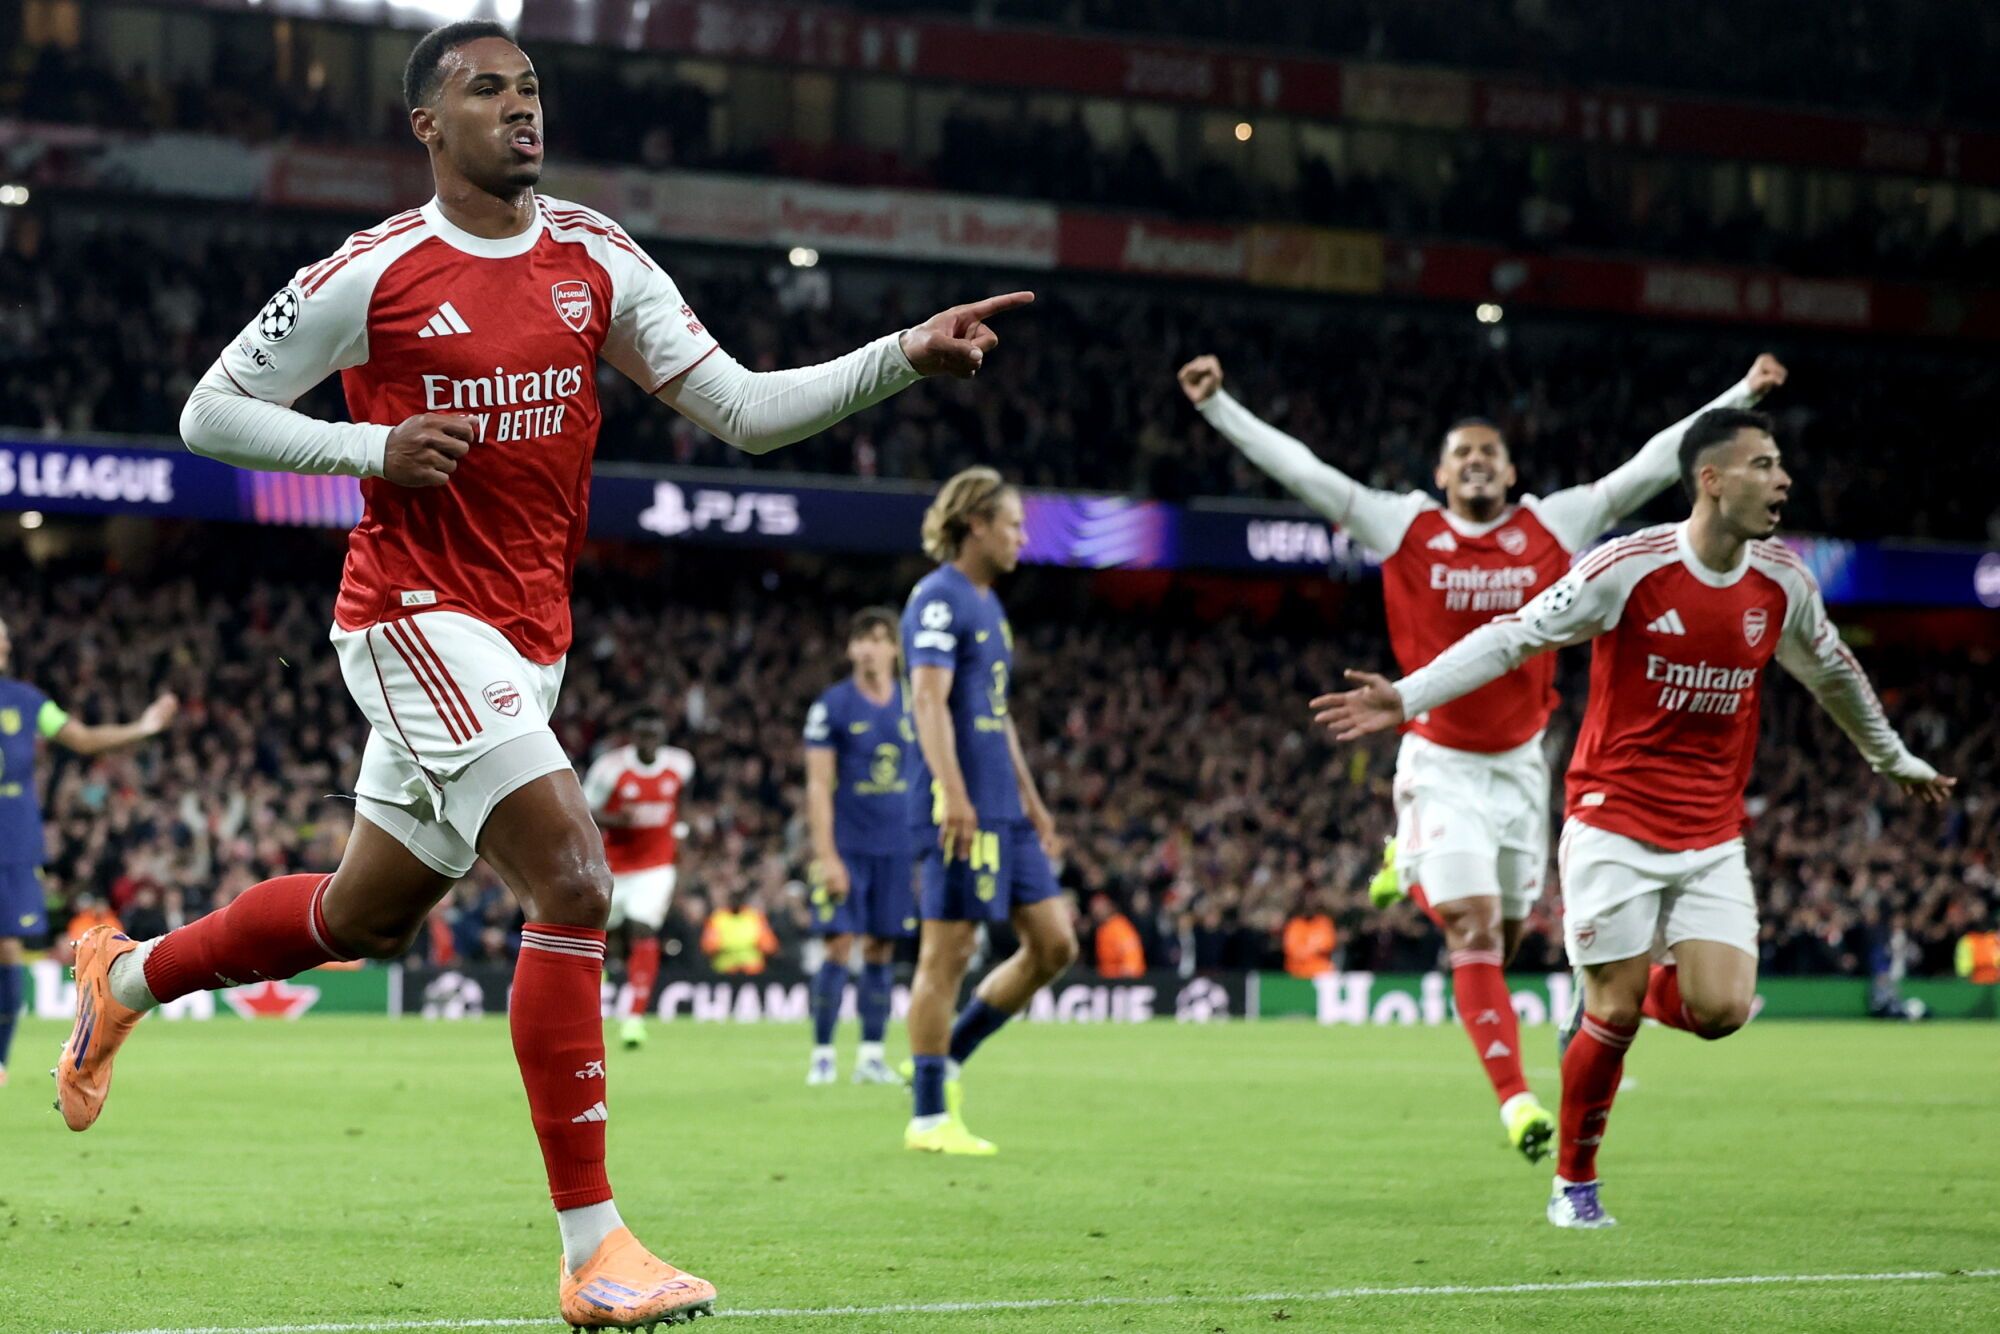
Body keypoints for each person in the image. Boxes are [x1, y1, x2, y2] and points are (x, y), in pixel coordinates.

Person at [53, 19, 1031, 1330]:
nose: (521, 107)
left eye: (530, 88)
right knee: (577, 875)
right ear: (427, 126)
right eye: (486, 89)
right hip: (408, 615)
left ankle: (121, 979)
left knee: (364, 917)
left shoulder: (597, 256)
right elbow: (209, 414)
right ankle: (594, 1247)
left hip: (525, 638)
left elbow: (739, 407)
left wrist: (902, 354)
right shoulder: (377, 271)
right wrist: (371, 446)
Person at [1311, 407, 1954, 1229]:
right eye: (1763, 464)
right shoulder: (1630, 567)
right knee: (1611, 1013)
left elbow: (1833, 672)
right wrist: (1406, 697)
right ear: (1711, 481)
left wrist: (1891, 757)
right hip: (1611, 818)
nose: (1782, 479)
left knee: (1720, 1011)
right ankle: (1574, 1183)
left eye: (1781, 464)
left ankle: (1616, 990)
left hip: (1713, 833)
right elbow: (1513, 635)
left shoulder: (1783, 582)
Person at [1179, 349, 1785, 1165]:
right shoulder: (1405, 526)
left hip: (1522, 768)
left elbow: (1653, 463)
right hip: (1437, 760)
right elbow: (1305, 471)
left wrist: (1740, 395)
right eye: (1461, 453)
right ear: (1439, 472)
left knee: (1504, 936)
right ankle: (1516, 1103)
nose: (1475, 462)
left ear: (1509, 470)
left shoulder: (1552, 526)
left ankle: (1412, 861)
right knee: (1467, 926)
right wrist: (1220, 406)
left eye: (1489, 453)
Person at [900, 468, 1076, 1156]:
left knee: (1056, 944)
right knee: (948, 954)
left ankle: (946, 1062)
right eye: (1012, 525)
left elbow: (994, 716)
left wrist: (1029, 799)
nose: (1022, 539)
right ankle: (926, 1116)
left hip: (1003, 808)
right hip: (958, 807)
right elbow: (926, 702)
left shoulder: (989, 604)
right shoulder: (938, 599)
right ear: (976, 524)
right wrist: (955, 791)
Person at [0, 615, 174, 1089]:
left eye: (5, 635)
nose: (3, 642)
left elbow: (83, 738)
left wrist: (143, 727)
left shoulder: (26, 701)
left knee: (7, 948)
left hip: (10, 839)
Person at [801, 607, 915, 1086]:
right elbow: (818, 785)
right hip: (847, 847)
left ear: (894, 648)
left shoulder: (915, 703)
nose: (870, 647)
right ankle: (823, 1056)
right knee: (838, 945)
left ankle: (871, 1056)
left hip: (897, 848)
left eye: (880, 637)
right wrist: (827, 856)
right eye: (862, 638)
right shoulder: (833, 706)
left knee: (881, 948)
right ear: (851, 649)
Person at [582, 706, 694, 1051]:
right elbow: (584, 809)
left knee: (643, 928)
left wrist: (680, 834)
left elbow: (681, 798)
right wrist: (615, 819)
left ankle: (634, 1018)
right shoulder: (610, 769)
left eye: (656, 736)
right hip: (614, 866)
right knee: (606, 938)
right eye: (643, 735)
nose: (650, 742)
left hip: (656, 867)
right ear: (633, 737)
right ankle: (593, 1005)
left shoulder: (680, 764)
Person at [700, 893, 778, 975]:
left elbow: (770, 946)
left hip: (752, 972)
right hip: (725, 972)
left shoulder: (755, 917)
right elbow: (708, 946)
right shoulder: (717, 918)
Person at [1281, 893, 1337, 979]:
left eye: (1312, 905)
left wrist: (1305, 948)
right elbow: (1291, 949)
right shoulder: (1295, 924)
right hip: (1297, 971)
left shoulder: (1324, 922)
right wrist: (1314, 947)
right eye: (1307, 906)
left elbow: (1329, 944)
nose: (1310, 909)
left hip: (1321, 970)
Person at [1090, 894, 1145, 979]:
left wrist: (1128, 975)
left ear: (1110, 907)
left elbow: (1131, 955)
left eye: (1100, 908)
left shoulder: (1119, 926)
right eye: (1094, 909)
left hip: (1121, 980)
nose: (1097, 912)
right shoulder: (1102, 928)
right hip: (1107, 978)